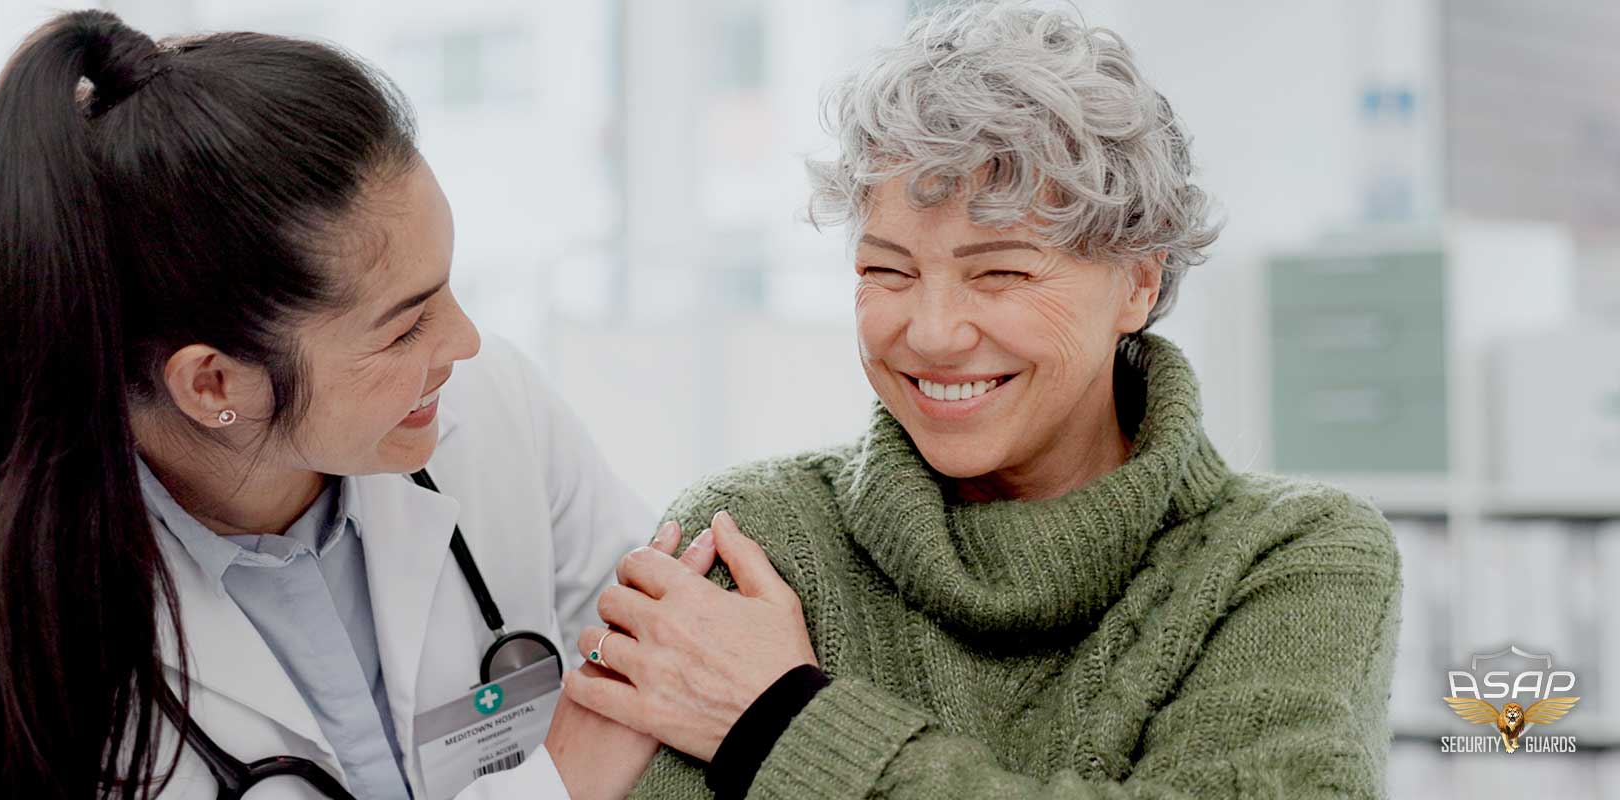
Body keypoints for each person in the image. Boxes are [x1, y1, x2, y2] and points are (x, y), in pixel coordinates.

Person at [562, 4, 1403, 798]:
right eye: (886, 270)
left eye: (998, 272)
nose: (930, 333)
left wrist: (784, 723)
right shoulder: (755, 537)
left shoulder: (1294, 559)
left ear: (1138, 283)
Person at [0, 11, 669, 799]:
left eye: (449, 290)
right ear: (214, 383)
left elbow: (676, 667)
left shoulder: (494, 415)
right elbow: (609, 739)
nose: (463, 342)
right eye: (404, 328)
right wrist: (558, 784)